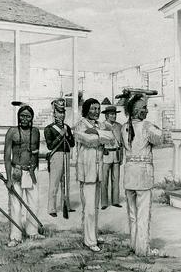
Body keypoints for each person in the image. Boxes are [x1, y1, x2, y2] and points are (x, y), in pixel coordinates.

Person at [121, 91, 163, 256]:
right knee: (143, 214)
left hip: (129, 173)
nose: (147, 110)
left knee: (132, 214)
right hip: (143, 175)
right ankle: (143, 249)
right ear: (137, 111)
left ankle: (134, 245)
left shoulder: (124, 127)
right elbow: (160, 139)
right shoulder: (146, 126)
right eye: (144, 108)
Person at [74, 98, 114, 252]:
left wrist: (96, 132)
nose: (96, 112)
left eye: (98, 109)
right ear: (86, 110)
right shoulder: (81, 124)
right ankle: (89, 240)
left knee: (94, 208)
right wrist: (100, 136)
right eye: (93, 108)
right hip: (86, 171)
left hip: (97, 172)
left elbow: (110, 138)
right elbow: (88, 140)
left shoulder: (100, 125)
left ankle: (93, 235)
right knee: (89, 208)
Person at [4, 104, 44, 246]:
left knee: (33, 203)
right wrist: (9, 178)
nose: (24, 119)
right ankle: (15, 236)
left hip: (31, 172)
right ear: (18, 117)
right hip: (16, 171)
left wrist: (34, 170)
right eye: (22, 116)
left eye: (27, 116)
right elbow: (6, 156)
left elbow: (36, 153)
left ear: (32, 117)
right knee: (16, 205)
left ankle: (32, 232)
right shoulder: (12, 132)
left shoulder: (36, 132)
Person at [44, 98, 75, 217]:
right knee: (54, 182)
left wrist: (67, 134)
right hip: (56, 156)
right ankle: (51, 208)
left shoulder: (67, 127)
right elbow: (50, 146)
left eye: (63, 112)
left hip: (66, 155)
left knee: (66, 182)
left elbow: (72, 144)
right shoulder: (49, 128)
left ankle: (66, 205)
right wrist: (60, 136)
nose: (61, 115)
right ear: (54, 113)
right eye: (59, 112)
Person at [100, 105, 123, 210]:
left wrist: (121, 156)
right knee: (104, 180)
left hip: (116, 154)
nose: (114, 116)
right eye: (111, 114)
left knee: (116, 179)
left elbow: (121, 142)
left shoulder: (119, 126)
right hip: (106, 154)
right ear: (106, 116)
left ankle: (115, 201)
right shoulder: (102, 126)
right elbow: (99, 142)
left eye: (114, 114)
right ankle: (104, 202)